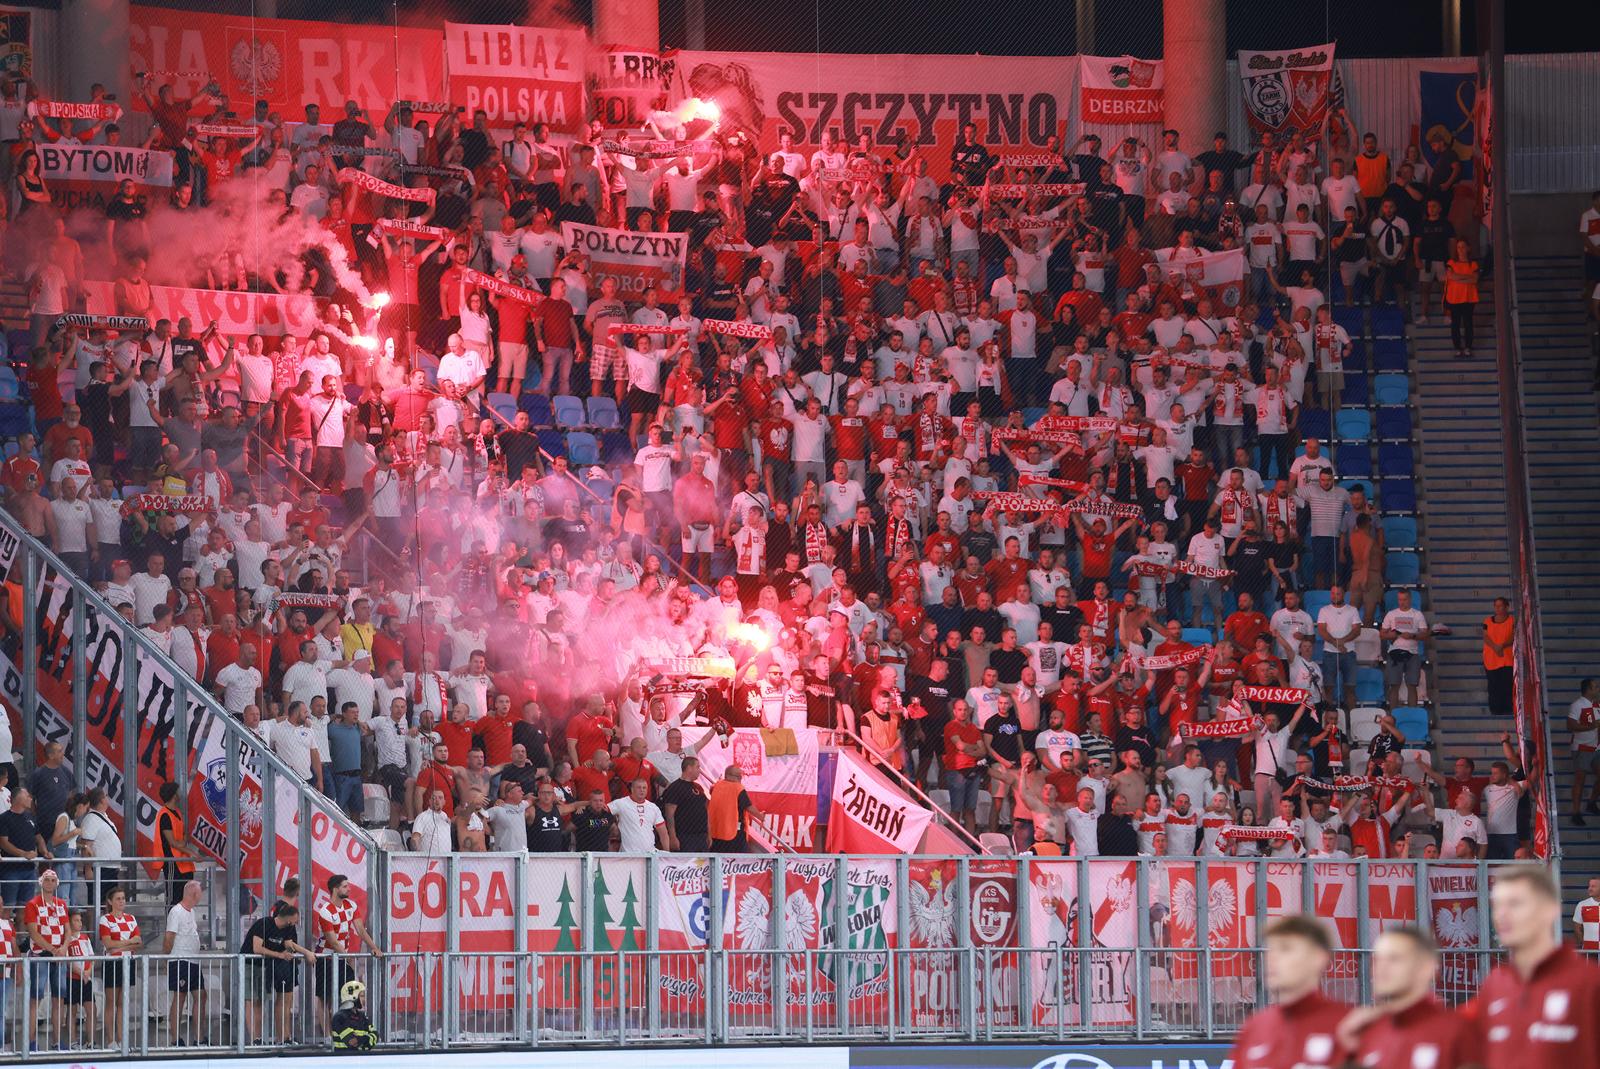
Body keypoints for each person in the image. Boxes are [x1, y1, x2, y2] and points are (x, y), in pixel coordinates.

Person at [1474, 865, 1600, 1069]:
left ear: (1549, 910)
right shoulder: (1495, 983)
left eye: (1515, 904)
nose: (1502, 915)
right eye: (1497, 905)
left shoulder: (1589, 983)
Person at [1335, 927, 1478, 1069]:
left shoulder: (1456, 1031)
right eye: (1377, 960)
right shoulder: (1368, 1031)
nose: (1381, 967)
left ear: (1426, 968)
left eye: (1394, 959)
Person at [1226, 915, 1350, 1069]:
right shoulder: (1254, 1027)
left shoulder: (1346, 1025)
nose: (1272, 957)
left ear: (1318, 958)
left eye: (1286, 949)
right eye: (1271, 949)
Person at [243, 900, 316, 1043]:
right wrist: (279, 955)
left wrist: (307, 952)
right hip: (252, 964)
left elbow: (290, 944)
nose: (296, 922)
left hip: (267, 966)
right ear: (289, 918)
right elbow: (257, 948)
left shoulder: (287, 928)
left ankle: (281, 1037)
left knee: (266, 1000)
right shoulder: (264, 924)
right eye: (295, 919)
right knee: (255, 1002)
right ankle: (255, 1039)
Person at [97, 886, 142, 1048]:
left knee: (123, 1002)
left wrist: (120, 947)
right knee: (111, 1002)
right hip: (112, 963)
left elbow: (139, 942)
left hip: (127, 961)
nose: (122, 901)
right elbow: (108, 944)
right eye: (118, 898)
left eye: (123, 898)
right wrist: (129, 942)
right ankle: (110, 1040)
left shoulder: (131, 918)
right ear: (110, 901)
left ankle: (122, 1039)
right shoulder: (105, 919)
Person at [163, 879, 206, 1046]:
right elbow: (169, 938)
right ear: (193, 894)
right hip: (180, 960)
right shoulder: (176, 911)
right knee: (180, 998)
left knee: (201, 996)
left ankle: (199, 1038)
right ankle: (175, 1039)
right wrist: (166, 958)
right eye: (200, 893)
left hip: (193, 961)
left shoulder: (191, 912)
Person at [709, 765, 765, 853]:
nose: (740, 779)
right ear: (728, 775)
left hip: (716, 832)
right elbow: (748, 806)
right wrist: (760, 816)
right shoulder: (738, 788)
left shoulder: (716, 786)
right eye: (738, 776)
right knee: (738, 859)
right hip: (733, 832)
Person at [1569, 678, 1600, 825]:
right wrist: (1591, 726)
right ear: (1588, 689)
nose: (1598, 688)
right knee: (1580, 781)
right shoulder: (1577, 705)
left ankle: (1591, 802)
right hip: (1582, 748)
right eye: (1595, 686)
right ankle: (1575, 812)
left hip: (1597, 748)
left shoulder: (1597, 705)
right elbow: (1570, 725)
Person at [1443, 238, 1480, 359]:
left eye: (1463, 247)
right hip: (1454, 298)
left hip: (1468, 298)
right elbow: (1451, 276)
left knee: (1468, 323)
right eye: (1458, 247)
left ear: (1468, 248)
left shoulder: (1473, 264)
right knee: (1456, 324)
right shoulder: (1451, 262)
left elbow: (1474, 279)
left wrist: (1459, 278)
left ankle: (1468, 347)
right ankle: (1458, 348)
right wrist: (1466, 278)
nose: (1460, 249)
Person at [1482, 597, 1515, 716]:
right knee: (1493, 686)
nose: (1498, 608)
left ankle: (1508, 709)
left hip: (1508, 659)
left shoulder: (1512, 620)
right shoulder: (1487, 621)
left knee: (1507, 685)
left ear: (1507, 607)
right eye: (1496, 606)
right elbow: (1485, 637)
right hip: (1491, 659)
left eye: (1500, 606)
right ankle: (1495, 710)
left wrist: (1503, 645)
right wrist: (1496, 647)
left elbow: (1513, 635)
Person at [331, 979, 376, 1050]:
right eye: (361, 996)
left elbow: (376, 1035)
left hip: (362, 1058)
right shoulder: (339, 1018)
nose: (364, 999)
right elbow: (353, 1042)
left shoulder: (362, 1016)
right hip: (343, 1059)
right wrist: (367, 1038)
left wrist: (360, 1039)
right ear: (353, 997)